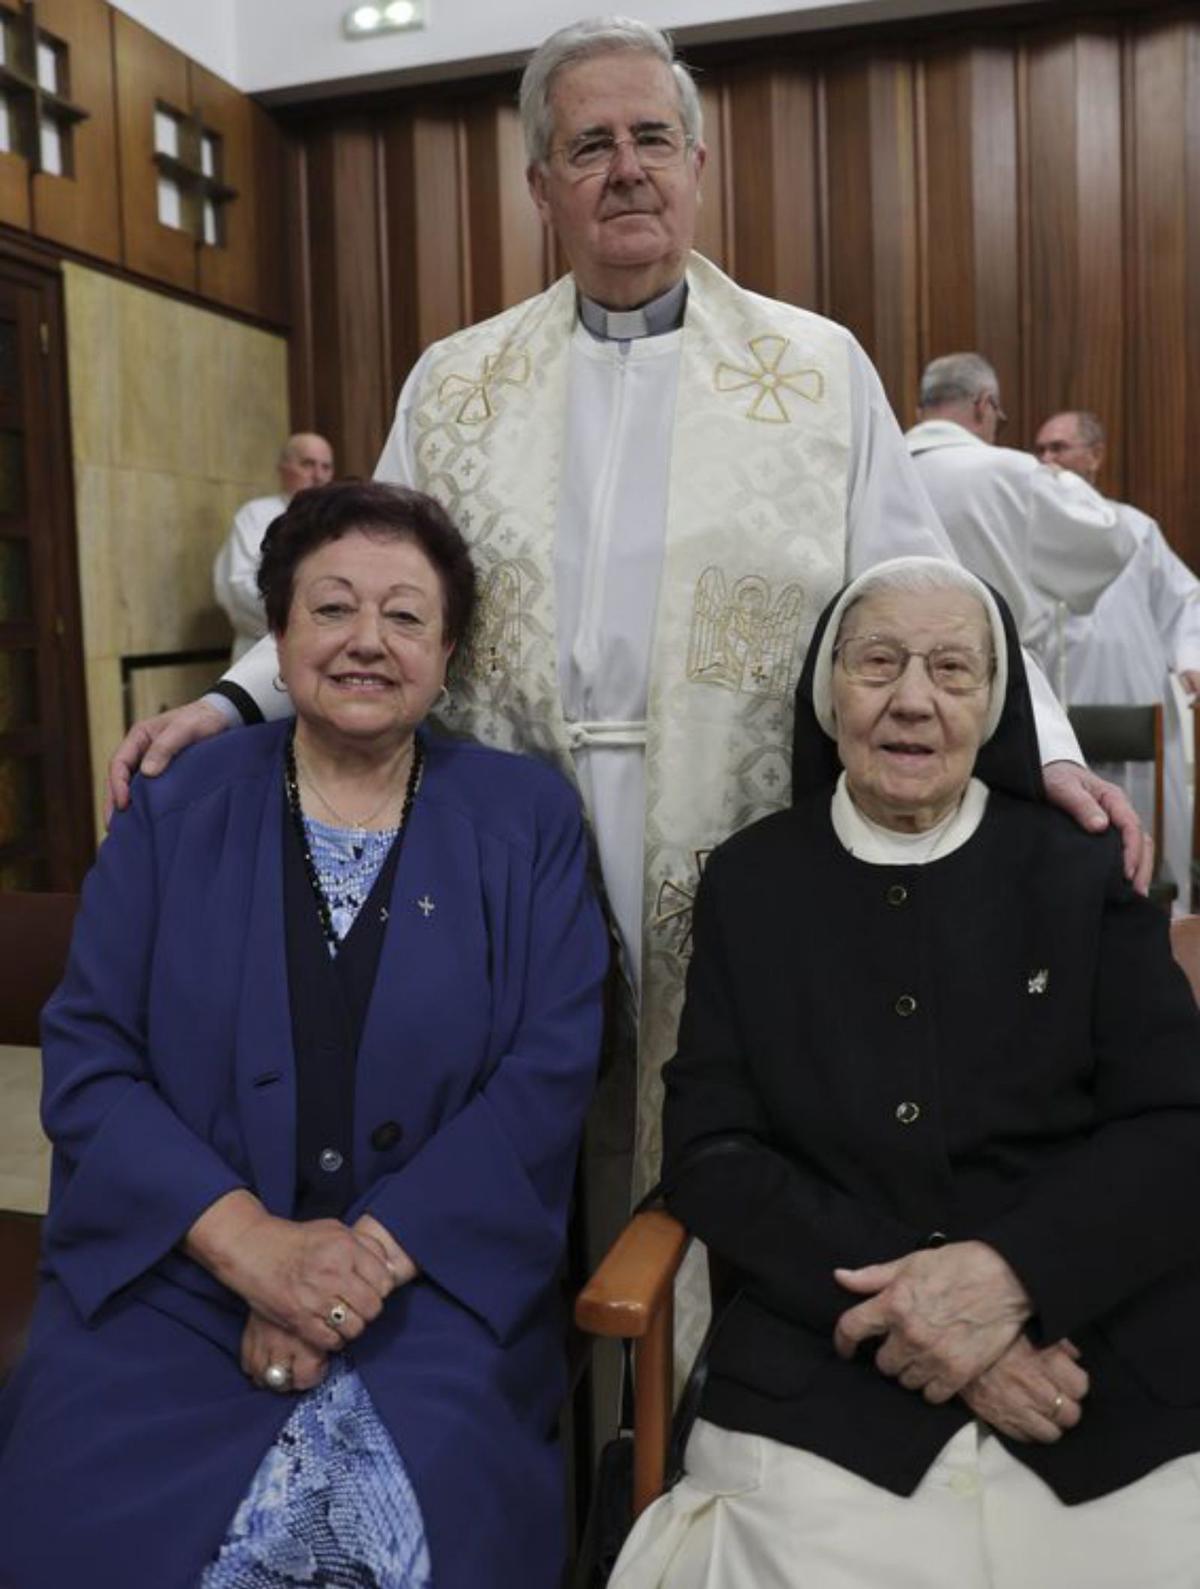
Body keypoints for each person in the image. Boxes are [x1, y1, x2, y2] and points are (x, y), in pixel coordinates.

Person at [107, 20, 1145, 1234]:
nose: (627, 167)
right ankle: (523, 1387)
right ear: (543, 187)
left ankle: (687, 1389)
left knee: (727, 1113)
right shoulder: (459, 381)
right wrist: (231, 700)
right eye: (588, 145)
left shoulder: (815, 370)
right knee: (507, 1113)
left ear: (700, 164)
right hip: (502, 824)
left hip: (736, 823)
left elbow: (928, 589)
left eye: (654, 136)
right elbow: (359, 582)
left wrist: (1053, 752)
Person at [0, 481, 608, 1589]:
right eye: (331, 608)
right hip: (178, 1284)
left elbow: (547, 1074)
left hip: (424, 1292)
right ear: (276, 640)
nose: (367, 640)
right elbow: (90, 1062)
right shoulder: (177, 805)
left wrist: (343, 1273)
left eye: (405, 615)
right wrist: (251, 1247)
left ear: (448, 648)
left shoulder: (528, 821)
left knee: (404, 1535)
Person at [610, 556, 1200, 1589]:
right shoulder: (752, 882)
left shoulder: (1076, 874)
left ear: (995, 700)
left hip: (1090, 1351)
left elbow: (1175, 1122)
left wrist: (1013, 1276)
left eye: (953, 669)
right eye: (878, 662)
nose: (913, 699)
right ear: (828, 693)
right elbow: (713, 1147)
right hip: (833, 1363)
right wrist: (926, 1306)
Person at [1034, 409, 1200, 894]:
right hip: (1060, 707)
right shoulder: (1031, 535)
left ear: (1096, 456)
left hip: (1135, 698)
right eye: (1040, 450)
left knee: (1146, 834)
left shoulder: (1134, 529)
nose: (1047, 460)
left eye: (1059, 447)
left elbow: (1186, 599)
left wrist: (1191, 659)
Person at [906, 355, 1135, 660]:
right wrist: (1061, 478)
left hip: (893, 676)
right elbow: (1111, 540)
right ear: (984, 405)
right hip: (992, 675)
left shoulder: (877, 472)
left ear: (921, 410)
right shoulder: (1013, 474)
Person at [214, 432, 335, 660]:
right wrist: (302, 616)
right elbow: (238, 587)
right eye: (308, 464)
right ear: (283, 468)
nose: (318, 476)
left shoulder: (340, 522)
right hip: (264, 649)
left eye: (326, 467)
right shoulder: (255, 516)